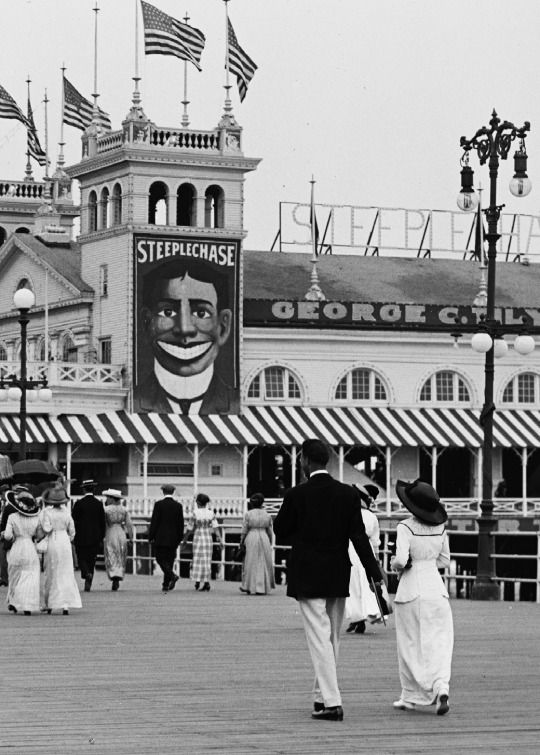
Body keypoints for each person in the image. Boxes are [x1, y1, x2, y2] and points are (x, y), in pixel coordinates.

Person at [273, 438, 383, 722]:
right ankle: (322, 697)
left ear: (306, 461)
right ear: (327, 462)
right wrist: (374, 572)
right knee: (332, 637)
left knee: (318, 637)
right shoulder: (347, 494)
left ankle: (332, 701)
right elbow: (358, 537)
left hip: (308, 571)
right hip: (337, 571)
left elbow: (282, 530)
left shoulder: (296, 494)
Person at [134, 259, 236, 415]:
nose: (185, 328)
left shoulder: (234, 402)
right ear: (147, 323)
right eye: (167, 312)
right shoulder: (135, 399)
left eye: (201, 313)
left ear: (223, 327)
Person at [391, 479, 453, 716]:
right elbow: (445, 560)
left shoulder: (405, 527)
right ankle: (441, 686)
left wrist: (397, 565)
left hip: (412, 589)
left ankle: (410, 695)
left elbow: (400, 559)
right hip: (436, 590)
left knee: (410, 643)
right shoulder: (441, 528)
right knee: (438, 642)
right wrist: (428, 563)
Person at [345, 483, 387, 633]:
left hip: (350, 548)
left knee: (352, 583)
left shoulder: (348, 514)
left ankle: (356, 617)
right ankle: (368, 613)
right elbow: (376, 542)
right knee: (365, 582)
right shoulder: (371, 517)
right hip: (366, 550)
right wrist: (376, 560)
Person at [38, 486, 82, 616]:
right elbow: (73, 531)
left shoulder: (47, 512)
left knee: (52, 571)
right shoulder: (66, 512)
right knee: (66, 572)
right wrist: (68, 538)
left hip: (54, 539)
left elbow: (46, 528)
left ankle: (51, 603)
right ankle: (66, 604)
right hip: (65, 541)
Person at [2, 487, 41, 615]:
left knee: (15, 576)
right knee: (30, 576)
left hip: (17, 547)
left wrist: (13, 537)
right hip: (30, 547)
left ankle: (13, 601)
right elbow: (39, 535)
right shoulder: (36, 518)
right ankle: (27, 604)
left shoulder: (12, 517)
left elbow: (7, 536)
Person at [181, 492, 222, 591]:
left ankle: (198, 581)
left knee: (197, 559)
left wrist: (185, 540)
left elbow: (189, 528)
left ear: (198, 503)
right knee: (207, 560)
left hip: (198, 536)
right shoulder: (211, 513)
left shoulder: (195, 513)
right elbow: (216, 527)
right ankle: (206, 582)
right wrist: (220, 539)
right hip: (208, 537)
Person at [148, 483, 184, 593]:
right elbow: (180, 524)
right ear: (173, 492)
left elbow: (155, 521)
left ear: (163, 492)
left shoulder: (159, 505)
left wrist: (151, 536)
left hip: (161, 537)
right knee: (170, 560)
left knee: (160, 558)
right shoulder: (178, 506)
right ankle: (166, 584)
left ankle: (172, 576)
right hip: (173, 538)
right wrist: (179, 537)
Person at [71, 479, 106, 592]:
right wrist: (101, 536)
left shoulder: (79, 503)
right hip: (95, 537)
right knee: (92, 559)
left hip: (81, 536)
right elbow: (102, 522)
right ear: (94, 489)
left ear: (84, 489)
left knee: (81, 557)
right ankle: (89, 580)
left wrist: (73, 535)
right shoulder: (99, 504)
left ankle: (86, 573)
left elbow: (73, 520)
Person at [239, 493, 275, 596]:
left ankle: (249, 586)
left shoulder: (248, 514)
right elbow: (269, 530)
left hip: (252, 535)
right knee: (264, 560)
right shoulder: (267, 515)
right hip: (263, 536)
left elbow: (244, 529)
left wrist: (241, 541)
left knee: (250, 561)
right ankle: (262, 586)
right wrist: (270, 540)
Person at [103, 489, 134, 591]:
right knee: (121, 554)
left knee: (111, 553)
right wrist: (131, 537)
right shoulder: (124, 510)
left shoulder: (106, 509)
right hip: (121, 532)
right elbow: (129, 525)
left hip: (111, 531)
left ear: (111, 498)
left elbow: (103, 524)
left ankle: (113, 575)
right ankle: (119, 574)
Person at [0, 483, 11, 585]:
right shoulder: (2, 504)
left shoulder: (9, 506)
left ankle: (5, 578)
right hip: (3, 531)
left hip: (6, 532)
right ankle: (4, 577)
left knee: (4, 556)